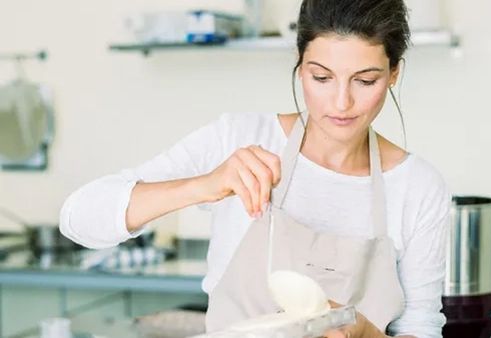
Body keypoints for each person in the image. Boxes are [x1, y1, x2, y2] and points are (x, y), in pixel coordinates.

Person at [60, 0, 451, 337]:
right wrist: (205, 185)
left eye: (365, 80)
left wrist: (364, 333)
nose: (341, 102)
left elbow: (421, 326)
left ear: (394, 73)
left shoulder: (417, 186)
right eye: (321, 77)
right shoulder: (238, 137)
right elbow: (78, 220)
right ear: (300, 68)